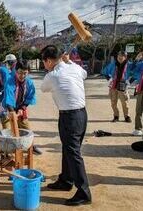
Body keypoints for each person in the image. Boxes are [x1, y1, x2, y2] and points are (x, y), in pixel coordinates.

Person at [40, 45, 91, 206]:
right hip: (81, 115)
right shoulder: (74, 68)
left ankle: (84, 192)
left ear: (48, 61)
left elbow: (43, 88)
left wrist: (61, 66)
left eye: (44, 62)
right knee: (68, 149)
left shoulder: (52, 75)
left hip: (70, 117)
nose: (44, 65)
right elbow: (85, 74)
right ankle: (66, 180)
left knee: (73, 153)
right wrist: (70, 62)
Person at [1, 60, 41, 154]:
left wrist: (21, 109)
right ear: (16, 71)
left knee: (26, 128)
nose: (22, 76)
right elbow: (9, 99)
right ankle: (6, 150)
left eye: (25, 73)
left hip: (20, 107)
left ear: (28, 72)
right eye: (19, 73)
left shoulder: (29, 83)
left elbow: (30, 97)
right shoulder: (10, 81)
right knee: (7, 131)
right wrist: (13, 113)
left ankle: (31, 146)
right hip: (8, 108)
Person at [102, 51, 133, 123]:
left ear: (125, 57)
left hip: (123, 86)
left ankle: (127, 116)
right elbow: (104, 71)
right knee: (113, 103)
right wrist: (109, 79)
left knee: (125, 103)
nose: (120, 57)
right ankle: (116, 116)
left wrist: (129, 81)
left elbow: (136, 73)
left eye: (122, 56)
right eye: (119, 55)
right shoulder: (113, 64)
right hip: (113, 86)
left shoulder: (129, 65)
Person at [130, 51, 143, 136]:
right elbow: (131, 69)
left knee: (138, 111)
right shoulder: (141, 63)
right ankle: (138, 128)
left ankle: (138, 129)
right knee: (138, 111)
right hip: (141, 91)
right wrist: (136, 60)